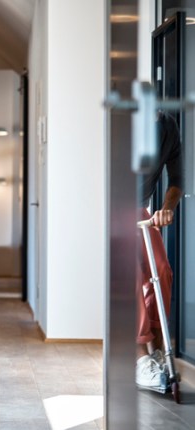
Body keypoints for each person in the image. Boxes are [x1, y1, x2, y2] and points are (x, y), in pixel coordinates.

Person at [135, 111, 183, 392]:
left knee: (161, 271)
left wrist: (166, 209)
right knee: (130, 274)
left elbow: (176, 179)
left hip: (139, 209)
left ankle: (156, 349)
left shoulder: (168, 127)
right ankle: (140, 356)